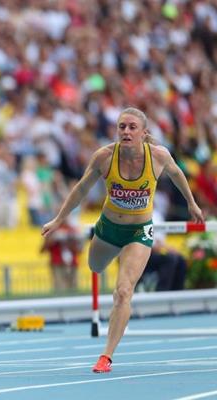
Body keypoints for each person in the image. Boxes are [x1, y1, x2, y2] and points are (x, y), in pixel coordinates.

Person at [41, 107, 203, 373]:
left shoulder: (158, 155)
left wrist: (192, 203)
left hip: (139, 231)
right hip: (108, 228)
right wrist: (58, 219)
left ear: (144, 133)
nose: (126, 132)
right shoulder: (104, 157)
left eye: (131, 127)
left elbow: (176, 174)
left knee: (123, 291)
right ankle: (108, 259)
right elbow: (81, 187)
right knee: (95, 266)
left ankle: (106, 356)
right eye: (121, 127)